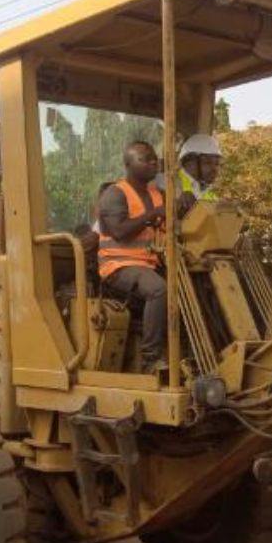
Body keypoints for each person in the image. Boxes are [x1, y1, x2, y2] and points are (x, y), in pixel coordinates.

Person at [97, 141, 169, 374]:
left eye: (154, 158)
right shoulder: (115, 193)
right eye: (145, 158)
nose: (152, 161)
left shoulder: (158, 194)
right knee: (158, 289)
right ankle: (151, 360)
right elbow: (119, 231)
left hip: (151, 264)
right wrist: (150, 216)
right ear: (128, 164)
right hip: (118, 266)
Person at [174, 133, 221, 217]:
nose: (215, 169)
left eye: (217, 163)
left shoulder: (208, 191)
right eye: (207, 163)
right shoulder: (170, 184)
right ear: (190, 162)